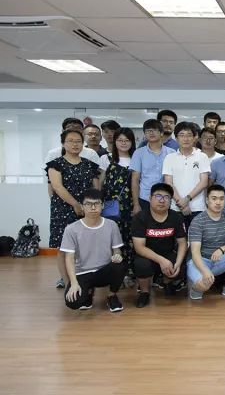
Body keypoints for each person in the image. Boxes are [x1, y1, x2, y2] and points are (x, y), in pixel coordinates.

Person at [47, 129, 101, 289]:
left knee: (86, 247)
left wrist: (91, 207)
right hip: (63, 210)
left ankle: (86, 281)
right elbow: (57, 187)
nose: (75, 144)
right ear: (63, 143)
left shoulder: (90, 165)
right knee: (64, 248)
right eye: (70, 141)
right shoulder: (55, 164)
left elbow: (96, 189)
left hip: (88, 211)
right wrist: (76, 204)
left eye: (78, 141)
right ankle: (68, 282)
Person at [61, 189, 125, 312]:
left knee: (120, 266)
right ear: (82, 206)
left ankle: (112, 295)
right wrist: (73, 283)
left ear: (103, 205)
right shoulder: (71, 229)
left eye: (97, 203)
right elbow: (69, 257)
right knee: (73, 302)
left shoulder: (112, 225)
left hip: (103, 271)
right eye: (88, 204)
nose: (93, 207)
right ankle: (88, 293)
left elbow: (117, 250)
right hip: (82, 273)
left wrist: (117, 256)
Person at [186, 184, 225, 300]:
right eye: (214, 198)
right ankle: (195, 288)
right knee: (204, 285)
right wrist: (204, 270)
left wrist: (222, 249)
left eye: (221, 198)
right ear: (207, 200)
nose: (218, 202)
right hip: (199, 261)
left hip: (218, 260)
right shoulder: (198, 221)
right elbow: (195, 252)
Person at [131, 183, 188, 308]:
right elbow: (139, 247)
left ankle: (167, 283)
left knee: (182, 262)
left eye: (166, 197)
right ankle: (144, 292)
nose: (162, 200)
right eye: (158, 196)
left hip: (168, 253)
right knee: (141, 264)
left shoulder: (176, 217)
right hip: (147, 255)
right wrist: (161, 260)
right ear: (150, 198)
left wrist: (178, 263)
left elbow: (182, 242)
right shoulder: (140, 218)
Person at [162, 121, 210, 230]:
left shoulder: (202, 156)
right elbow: (168, 183)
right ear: (176, 138)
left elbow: (203, 182)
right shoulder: (169, 158)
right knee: (178, 237)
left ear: (195, 137)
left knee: (196, 238)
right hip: (175, 207)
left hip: (198, 207)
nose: (186, 139)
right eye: (182, 135)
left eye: (189, 135)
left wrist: (186, 199)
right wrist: (181, 203)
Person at [100, 127, 136, 268]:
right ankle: (113, 270)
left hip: (130, 205)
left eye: (127, 140)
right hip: (110, 206)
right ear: (114, 142)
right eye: (120, 140)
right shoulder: (106, 158)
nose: (123, 143)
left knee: (129, 236)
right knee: (111, 237)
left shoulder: (136, 159)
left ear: (132, 142)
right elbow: (101, 183)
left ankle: (129, 269)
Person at [130, 119, 176, 214]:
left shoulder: (172, 153)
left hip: (166, 198)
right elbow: (135, 180)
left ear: (162, 133)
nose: (151, 133)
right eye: (148, 131)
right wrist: (136, 204)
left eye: (154, 130)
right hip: (145, 198)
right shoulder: (139, 153)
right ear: (144, 134)